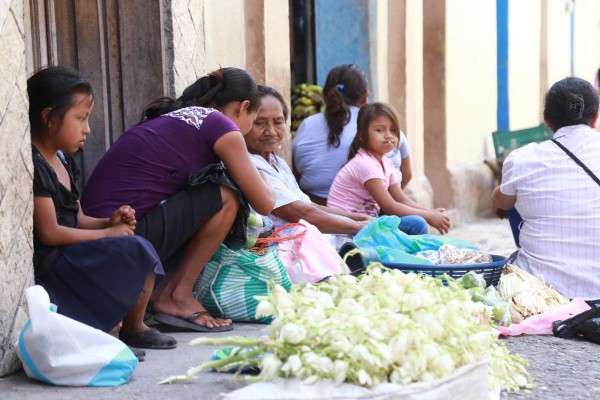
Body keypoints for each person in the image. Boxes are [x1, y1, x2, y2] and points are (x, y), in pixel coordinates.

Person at [81, 67, 275, 331]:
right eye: (255, 121)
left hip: (99, 238)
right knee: (228, 195)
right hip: (119, 239)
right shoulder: (220, 124)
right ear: (242, 107)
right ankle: (176, 295)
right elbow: (265, 203)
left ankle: (164, 292)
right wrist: (264, 178)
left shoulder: (176, 118)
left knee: (212, 188)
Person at [28, 66, 176, 352]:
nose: (88, 129)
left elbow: (79, 218)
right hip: (53, 264)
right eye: (81, 119)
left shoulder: (63, 160)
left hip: (71, 250)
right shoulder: (37, 165)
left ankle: (134, 326)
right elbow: (49, 233)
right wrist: (109, 235)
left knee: (136, 243)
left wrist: (108, 222)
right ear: (48, 117)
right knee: (129, 249)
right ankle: (110, 331)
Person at [492, 76, 600, 300]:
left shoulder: (523, 159)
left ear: (546, 120)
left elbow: (499, 203)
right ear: (596, 117)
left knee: (512, 197)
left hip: (542, 292)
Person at [244, 85, 371, 234]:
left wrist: (358, 218)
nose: (271, 131)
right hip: (283, 250)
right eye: (259, 123)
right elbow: (301, 213)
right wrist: (360, 227)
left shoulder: (277, 162)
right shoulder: (251, 165)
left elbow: (307, 204)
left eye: (278, 121)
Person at [327, 103, 451, 235]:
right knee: (416, 224)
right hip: (348, 229)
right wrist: (428, 216)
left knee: (414, 221)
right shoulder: (364, 164)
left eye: (393, 130)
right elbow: (390, 206)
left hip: (368, 223)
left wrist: (430, 212)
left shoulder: (386, 163)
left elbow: (401, 199)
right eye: (380, 130)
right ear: (362, 136)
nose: (388, 136)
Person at [292, 64, 369, 205]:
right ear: (365, 97)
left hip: (316, 211)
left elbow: (296, 173)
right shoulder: (377, 125)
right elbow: (403, 175)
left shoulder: (307, 124)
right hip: (365, 211)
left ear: (325, 96)